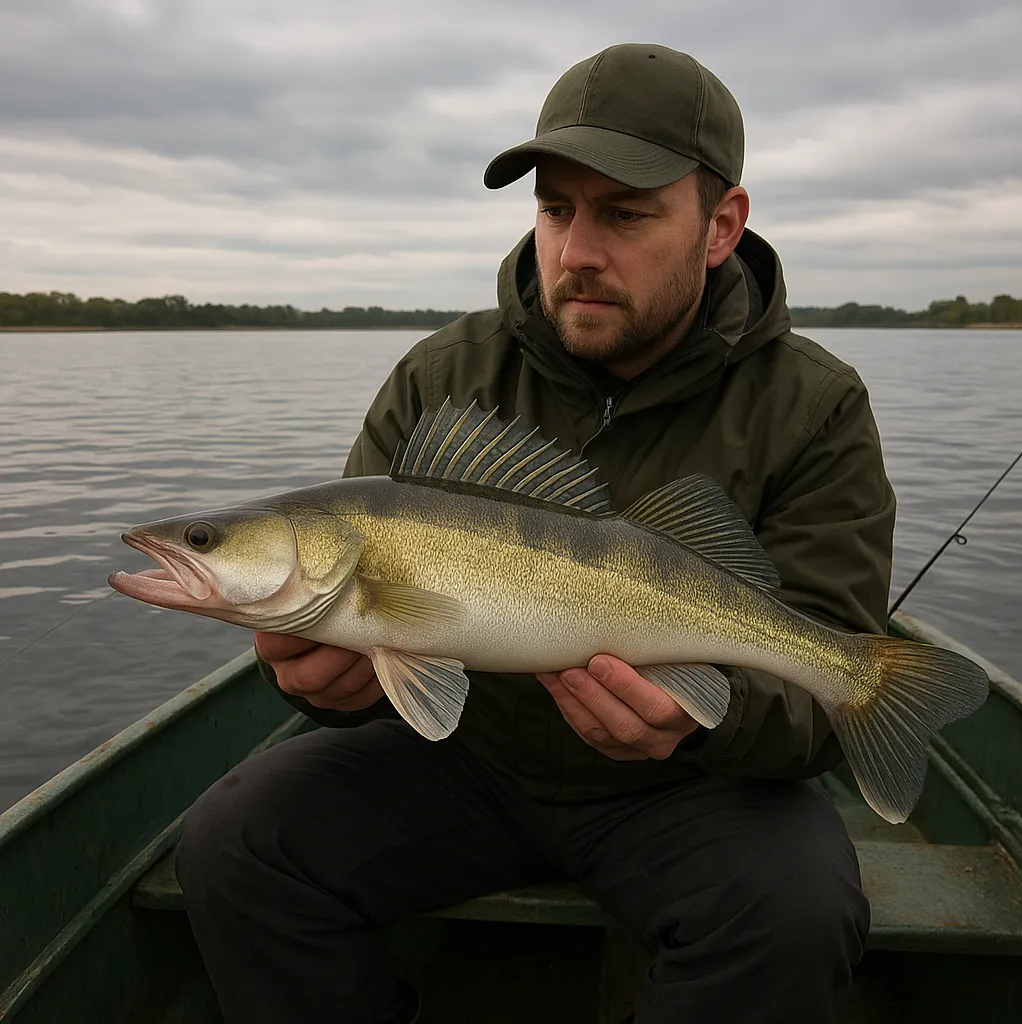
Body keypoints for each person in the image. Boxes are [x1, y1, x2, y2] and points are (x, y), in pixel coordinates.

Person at [176, 43, 895, 1023]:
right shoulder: (441, 376)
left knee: (795, 913)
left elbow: (816, 690)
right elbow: (370, 646)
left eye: (624, 213)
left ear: (721, 224)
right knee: (233, 845)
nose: (576, 250)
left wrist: (695, 723)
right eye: (555, 208)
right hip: (470, 760)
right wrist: (317, 679)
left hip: (685, 788)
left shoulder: (814, 406)